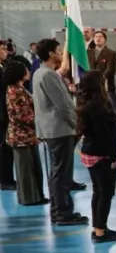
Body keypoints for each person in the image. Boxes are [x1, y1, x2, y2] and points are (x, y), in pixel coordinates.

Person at [33, 39, 88, 226]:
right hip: (59, 129)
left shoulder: (41, 73)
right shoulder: (48, 75)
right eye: (58, 50)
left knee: (58, 172)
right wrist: (78, 125)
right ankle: (62, 211)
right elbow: (62, 106)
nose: (61, 54)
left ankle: (59, 210)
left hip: (54, 129)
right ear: (50, 53)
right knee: (61, 173)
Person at [76, 70, 116, 243]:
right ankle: (100, 232)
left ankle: (99, 227)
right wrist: (113, 156)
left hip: (90, 151)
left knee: (98, 191)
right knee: (105, 193)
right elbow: (106, 135)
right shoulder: (100, 107)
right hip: (102, 154)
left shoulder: (86, 102)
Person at [4, 62, 46, 205]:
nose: (28, 71)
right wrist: (39, 122)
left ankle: (36, 196)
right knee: (25, 169)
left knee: (32, 167)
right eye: (25, 70)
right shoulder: (14, 91)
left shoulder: (19, 88)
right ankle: (29, 198)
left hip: (27, 135)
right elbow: (21, 115)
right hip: (21, 135)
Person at [0, 44, 16, 191]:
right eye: (2, 49)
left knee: (7, 148)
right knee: (4, 147)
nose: (6, 52)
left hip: (4, 112)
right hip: (2, 114)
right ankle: (5, 180)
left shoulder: (3, 66)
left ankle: (7, 177)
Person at [87, 31, 116, 96]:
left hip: (105, 85)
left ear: (105, 40)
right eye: (96, 37)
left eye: (100, 37)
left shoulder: (111, 53)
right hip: (91, 85)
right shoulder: (88, 53)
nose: (98, 38)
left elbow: (110, 69)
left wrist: (100, 77)